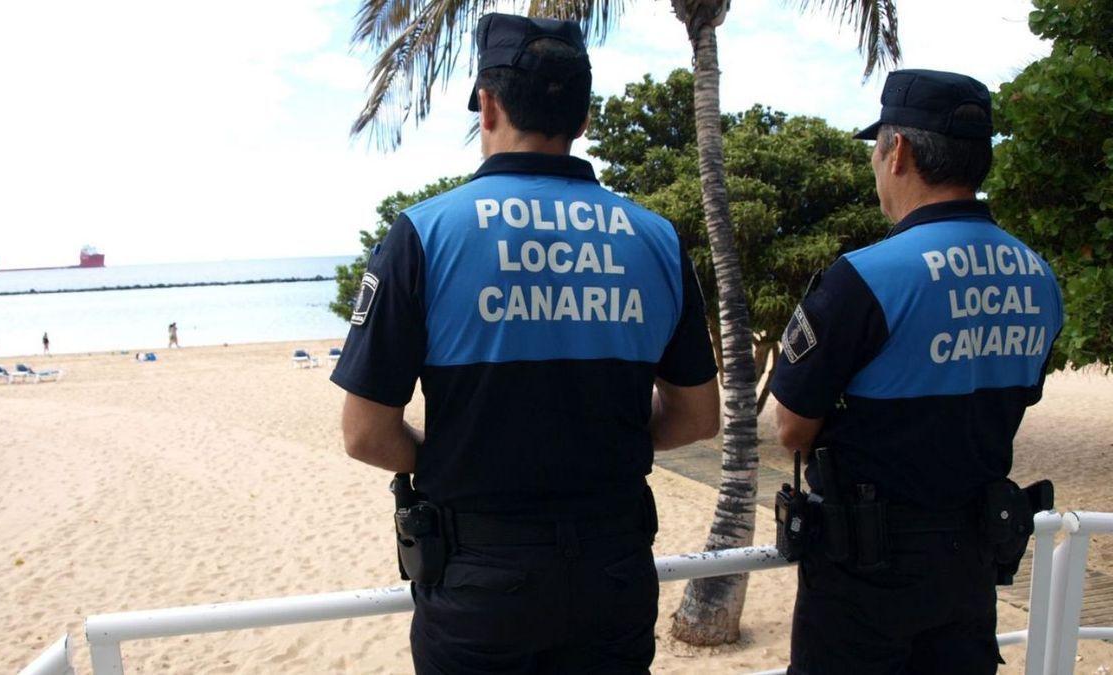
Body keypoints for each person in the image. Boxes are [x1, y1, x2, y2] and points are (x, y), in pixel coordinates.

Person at [330, 13, 720, 673]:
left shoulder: (426, 235)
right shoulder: (653, 237)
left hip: (481, 576)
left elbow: (366, 433)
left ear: (487, 105)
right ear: (584, 116)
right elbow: (698, 416)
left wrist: (455, 455)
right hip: (613, 570)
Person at [770, 69, 1065, 675]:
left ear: (897, 150)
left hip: (865, 573)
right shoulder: (1038, 276)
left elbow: (792, 429)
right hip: (973, 562)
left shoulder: (866, 277)